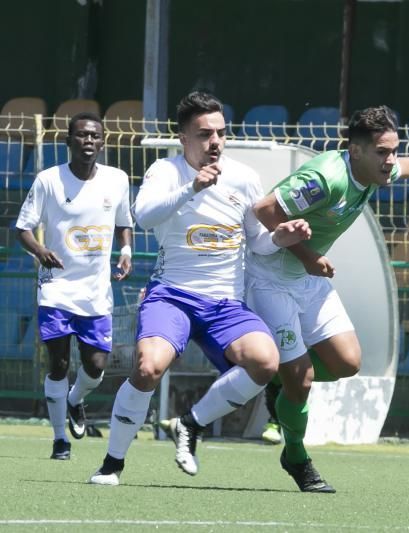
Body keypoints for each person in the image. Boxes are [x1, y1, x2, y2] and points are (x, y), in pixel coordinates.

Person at [245, 105, 409, 492]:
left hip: (307, 280)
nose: (391, 160)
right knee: (304, 380)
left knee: (347, 363)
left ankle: (281, 378)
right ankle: (296, 456)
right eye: (382, 152)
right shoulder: (326, 178)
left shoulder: (374, 169)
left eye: (393, 150)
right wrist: (309, 256)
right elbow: (262, 211)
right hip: (271, 279)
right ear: (356, 150)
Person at [88, 91, 311, 485]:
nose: (215, 143)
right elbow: (143, 216)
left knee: (265, 361)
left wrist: (282, 237)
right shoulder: (166, 171)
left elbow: (257, 241)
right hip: (172, 294)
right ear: (183, 138)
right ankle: (112, 464)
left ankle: (190, 425)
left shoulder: (243, 177)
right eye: (205, 134)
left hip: (225, 302)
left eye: (221, 134)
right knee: (147, 367)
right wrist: (192, 187)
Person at [16, 112, 134, 460]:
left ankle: (74, 400)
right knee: (58, 363)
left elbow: (124, 222)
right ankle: (59, 441)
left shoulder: (117, 180)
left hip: (96, 292)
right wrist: (41, 251)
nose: (88, 141)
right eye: (81, 136)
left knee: (96, 365)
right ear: (68, 142)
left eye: (94, 136)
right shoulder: (48, 180)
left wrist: (125, 250)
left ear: (103, 142)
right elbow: (23, 228)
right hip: (56, 288)